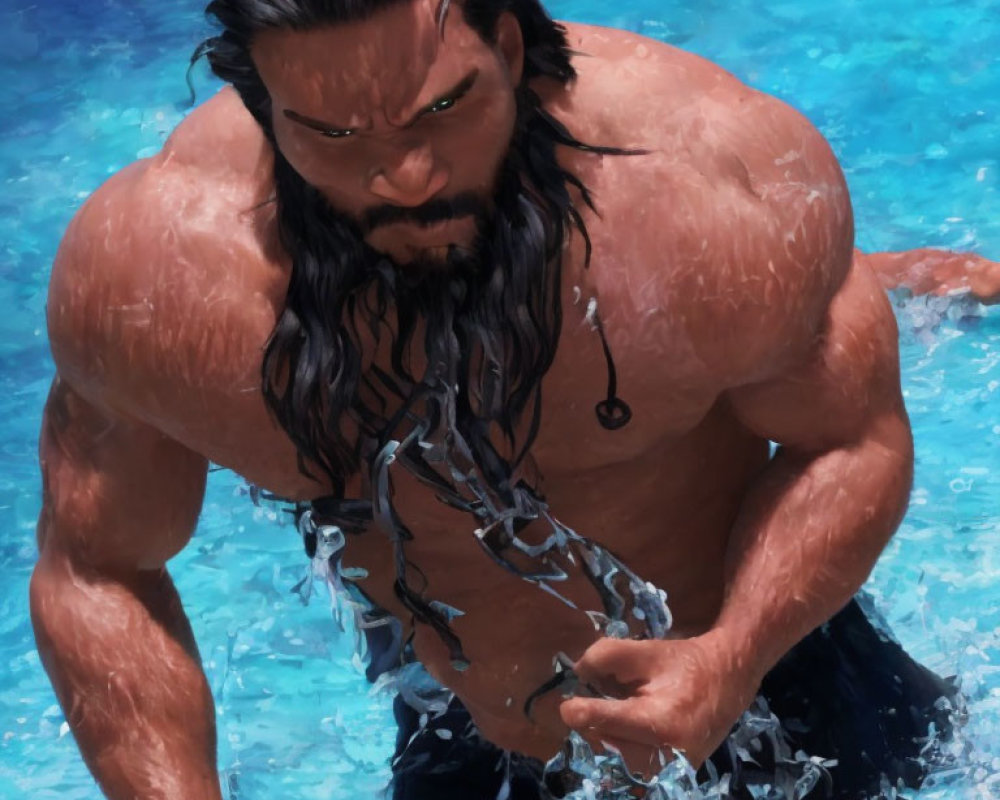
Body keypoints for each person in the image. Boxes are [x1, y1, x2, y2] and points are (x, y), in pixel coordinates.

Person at [30, 0, 993, 797]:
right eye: (331, 133)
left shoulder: (713, 191)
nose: (406, 176)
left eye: (444, 108)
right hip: (472, 740)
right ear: (259, 101)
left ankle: (881, 275)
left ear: (510, 44)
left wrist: (731, 656)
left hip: (783, 692)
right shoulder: (156, 282)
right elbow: (95, 571)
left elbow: (853, 443)